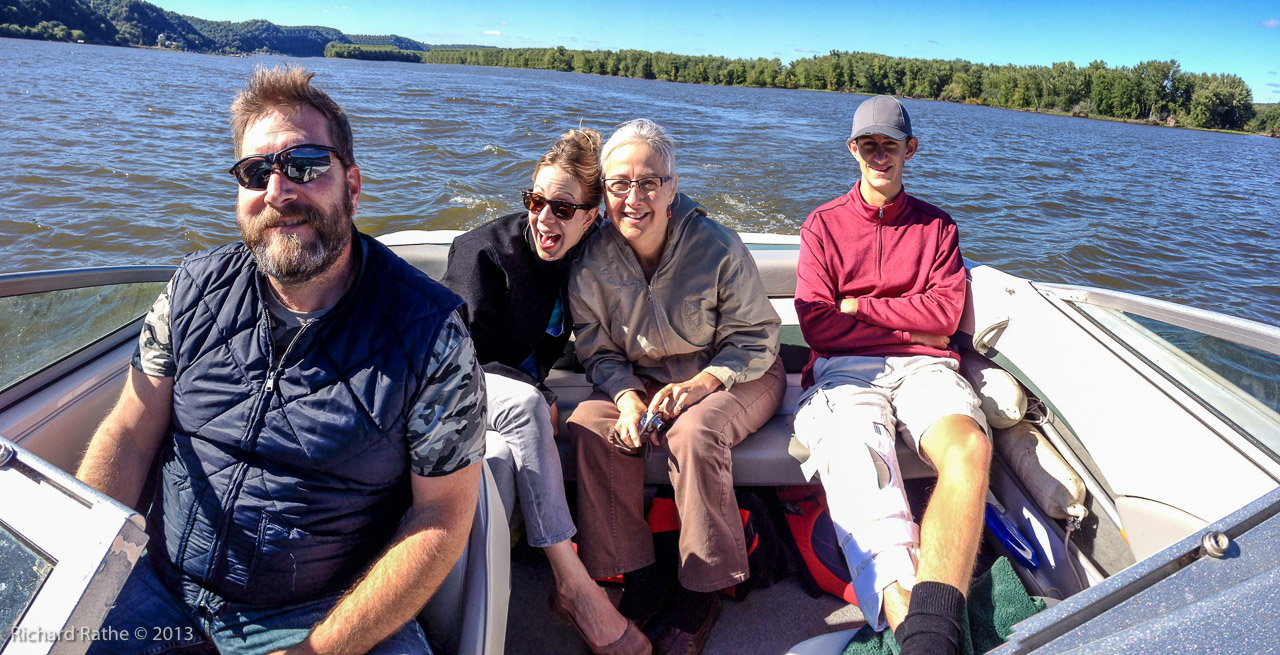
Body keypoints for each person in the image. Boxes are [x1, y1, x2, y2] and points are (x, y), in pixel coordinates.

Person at [76, 65, 486, 655]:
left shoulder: (431, 335)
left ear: (353, 183)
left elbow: (443, 519)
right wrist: (88, 559)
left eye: (305, 165)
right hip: (154, 583)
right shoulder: (191, 289)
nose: (278, 191)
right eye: (254, 171)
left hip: (322, 617)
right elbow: (130, 431)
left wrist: (318, 650)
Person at [566, 119, 786, 655]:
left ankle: (701, 592)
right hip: (646, 379)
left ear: (671, 188)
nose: (634, 198)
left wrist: (702, 384)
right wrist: (625, 399)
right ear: (605, 191)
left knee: (693, 434)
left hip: (738, 374)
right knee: (590, 426)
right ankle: (638, 578)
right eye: (619, 184)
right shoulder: (592, 260)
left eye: (649, 182)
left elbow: (758, 339)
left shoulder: (716, 246)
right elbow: (598, 350)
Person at [792, 95, 992, 655]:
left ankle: (925, 631)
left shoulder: (937, 228)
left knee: (970, 449)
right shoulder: (823, 227)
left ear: (911, 149)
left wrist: (860, 309)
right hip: (846, 372)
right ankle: (921, 629)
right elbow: (817, 327)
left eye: (891, 144)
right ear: (852, 150)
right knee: (859, 449)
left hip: (928, 368)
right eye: (868, 144)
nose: (880, 155)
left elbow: (946, 317)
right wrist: (913, 326)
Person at [440, 128, 649, 655]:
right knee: (532, 404)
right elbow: (449, 361)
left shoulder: (585, 261)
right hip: (447, 391)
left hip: (507, 410)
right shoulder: (483, 257)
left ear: (591, 216)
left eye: (562, 206)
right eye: (535, 201)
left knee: (516, 448)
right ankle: (573, 584)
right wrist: (537, 391)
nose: (544, 218)